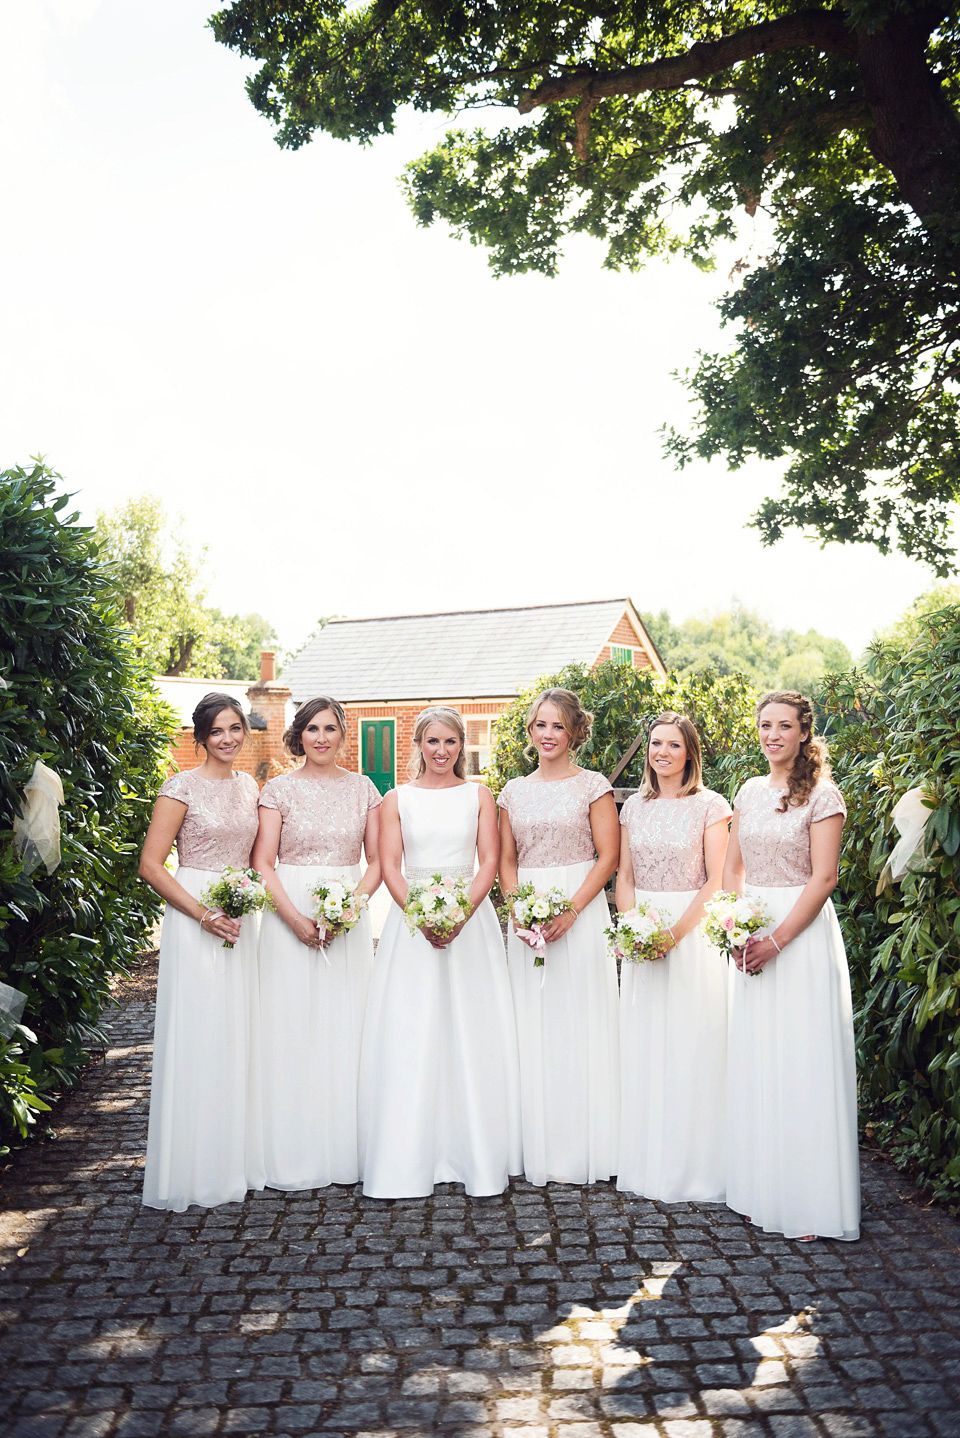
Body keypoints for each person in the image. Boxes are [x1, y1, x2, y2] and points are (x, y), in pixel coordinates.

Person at [358, 706, 521, 1198]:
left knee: (473, 1031)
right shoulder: (396, 799)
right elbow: (389, 866)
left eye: (451, 742)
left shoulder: (480, 795)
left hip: (470, 923)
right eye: (433, 741)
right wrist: (422, 917)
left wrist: (459, 916)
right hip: (413, 927)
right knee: (414, 1030)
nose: (442, 751)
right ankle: (411, 1151)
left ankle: (474, 1148)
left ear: (462, 746)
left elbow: (490, 862)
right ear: (419, 745)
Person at [723, 690, 860, 1241]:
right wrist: (733, 927)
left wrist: (776, 940)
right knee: (762, 1057)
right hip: (752, 927)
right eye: (764, 726)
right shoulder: (750, 791)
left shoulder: (823, 796)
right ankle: (763, 1189)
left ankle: (809, 1202)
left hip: (798, 938)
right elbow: (731, 866)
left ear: (804, 732)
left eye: (783, 726)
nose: (772, 735)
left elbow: (823, 879)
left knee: (802, 1061)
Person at [139, 693, 264, 1211]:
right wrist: (203, 914)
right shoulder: (180, 788)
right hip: (197, 919)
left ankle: (233, 1158)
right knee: (200, 1032)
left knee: (239, 1033)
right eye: (217, 731)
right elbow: (150, 865)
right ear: (201, 738)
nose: (229, 739)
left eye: (236, 728)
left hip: (242, 918)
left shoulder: (250, 786)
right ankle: (192, 1166)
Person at [252, 697, 381, 1190]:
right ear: (298, 736)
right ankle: (292, 1149)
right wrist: (292, 918)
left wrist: (351, 908)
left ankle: (348, 1149)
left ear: (343, 735)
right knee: (291, 1025)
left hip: (345, 916)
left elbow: (376, 862)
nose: (322, 737)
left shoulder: (363, 789)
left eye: (330, 729)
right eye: (312, 729)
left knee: (346, 1025)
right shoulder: (277, 790)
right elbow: (263, 862)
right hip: (290, 911)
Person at [498, 688, 620, 1186]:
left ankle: (589, 1146)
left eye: (557, 726)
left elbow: (607, 857)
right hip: (527, 918)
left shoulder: (592, 786)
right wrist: (518, 911)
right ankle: (536, 1145)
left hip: (581, 911)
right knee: (532, 1024)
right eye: (540, 725)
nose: (547, 735)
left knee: (581, 1019)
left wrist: (569, 912)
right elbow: (506, 861)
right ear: (530, 732)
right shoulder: (512, 791)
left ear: (574, 732)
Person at [615, 712, 731, 1202]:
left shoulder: (710, 806)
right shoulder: (634, 808)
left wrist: (675, 934)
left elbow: (719, 877)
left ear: (690, 754)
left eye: (673, 745)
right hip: (643, 932)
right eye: (655, 743)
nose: (662, 752)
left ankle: (697, 1167)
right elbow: (623, 876)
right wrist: (634, 928)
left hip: (692, 932)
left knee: (692, 1045)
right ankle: (647, 1161)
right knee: (645, 1046)